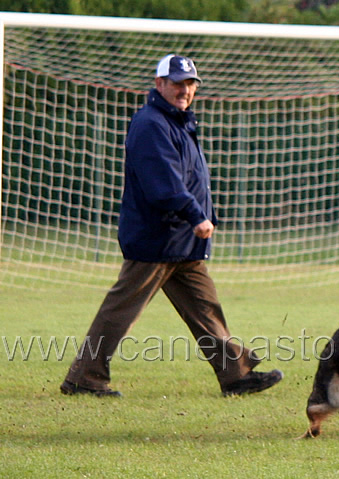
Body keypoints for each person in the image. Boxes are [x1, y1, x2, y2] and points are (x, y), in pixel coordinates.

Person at [60, 54, 283, 398]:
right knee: (120, 312)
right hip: (158, 239)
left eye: (190, 83)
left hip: (181, 242)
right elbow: (163, 183)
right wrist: (196, 215)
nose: (185, 89)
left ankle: (235, 375)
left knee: (205, 308)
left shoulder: (176, 122)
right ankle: (84, 378)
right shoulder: (151, 123)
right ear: (159, 83)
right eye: (177, 82)